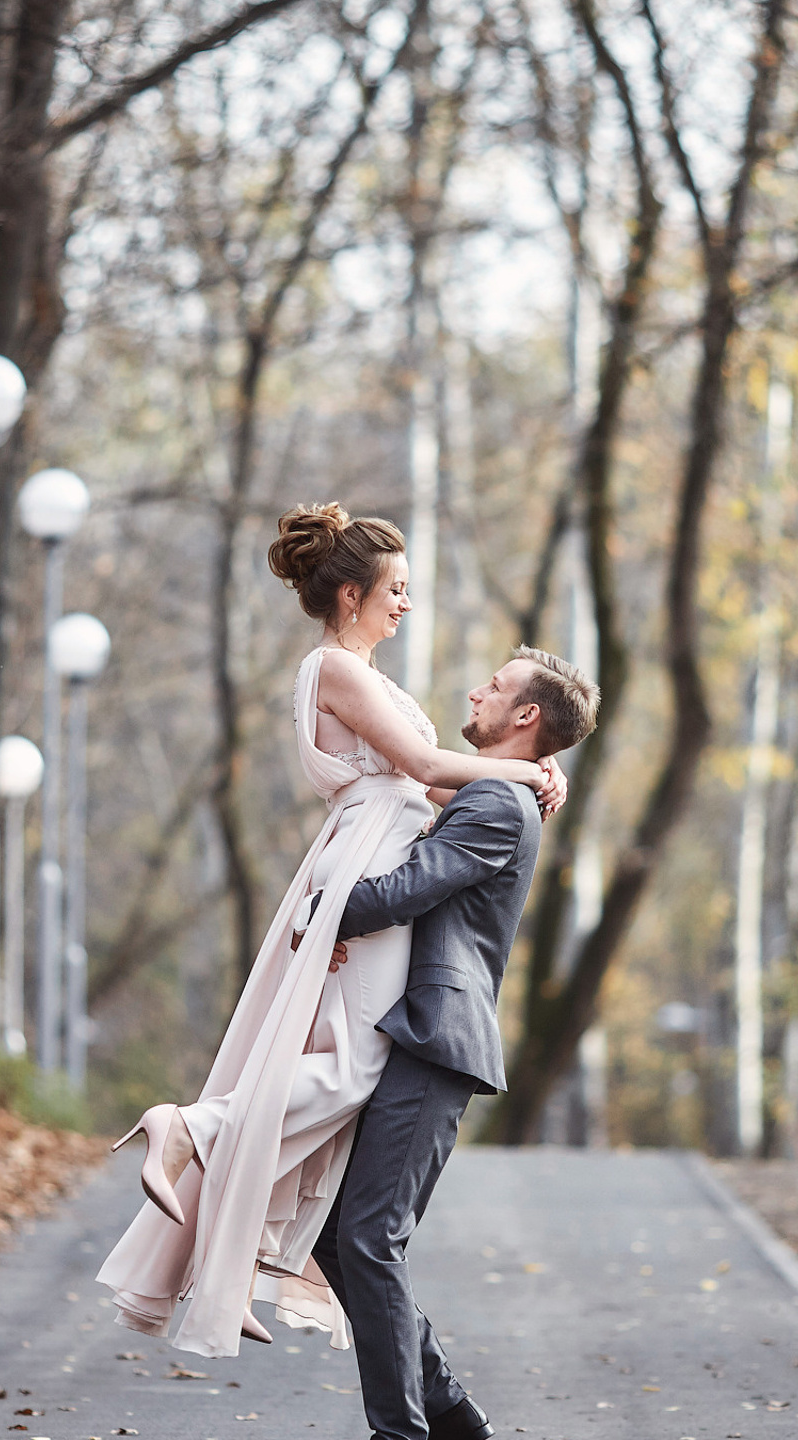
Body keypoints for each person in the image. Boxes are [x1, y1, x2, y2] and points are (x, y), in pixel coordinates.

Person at [96, 503, 565, 1358]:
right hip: (365, 869)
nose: (406, 605)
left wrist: (525, 772)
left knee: (325, 1068)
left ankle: (226, 1258)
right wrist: (526, 769)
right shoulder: (335, 667)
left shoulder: (365, 675)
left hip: (375, 855)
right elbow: (424, 771)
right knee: (352, 1071)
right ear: (351, 594)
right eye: (397, 590)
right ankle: (192, 1131)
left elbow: (432, 788)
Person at [308, 644, 599, 1440]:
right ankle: (452, 1418)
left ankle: (403, 1432)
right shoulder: (495, 794)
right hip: (408, 1034)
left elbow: (406, 891)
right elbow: (411, 791)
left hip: (438, 1041)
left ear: (526, 716)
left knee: (369, 1239)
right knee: (344, 1239)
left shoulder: (498, 809)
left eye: (496, 687)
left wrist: (316, 911)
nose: (478, 692)